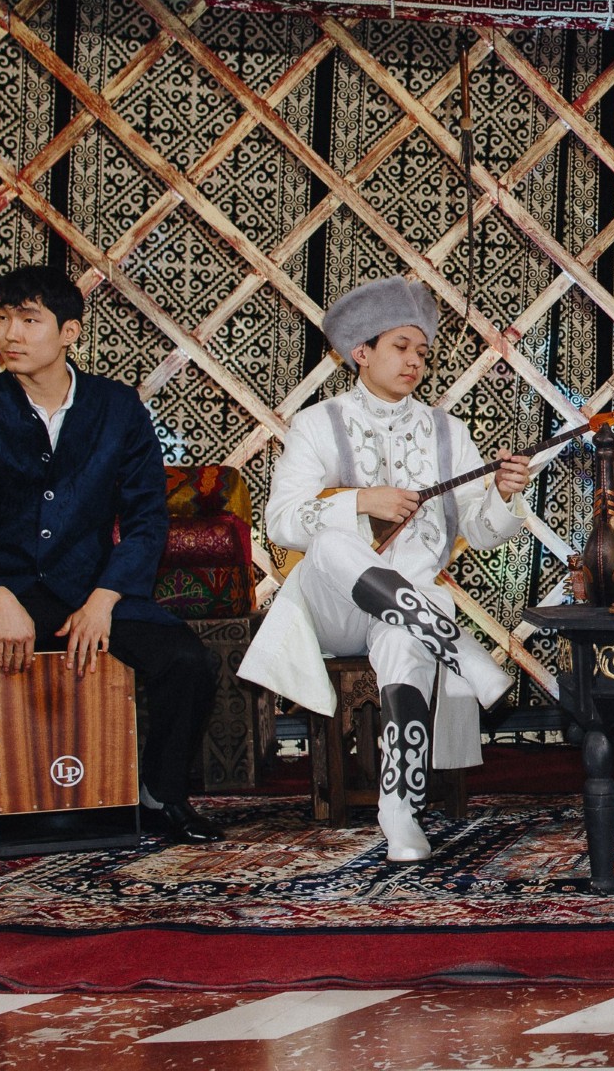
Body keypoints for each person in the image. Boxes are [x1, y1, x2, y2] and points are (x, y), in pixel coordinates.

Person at [0, 266, 222, 864]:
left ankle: (160, 797)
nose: (10, 333)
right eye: (3, 318)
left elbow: (147, 517)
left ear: (70, 332)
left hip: (89, 592)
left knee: (188, 662)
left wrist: (106, 598)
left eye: (29, 319)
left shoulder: (116, 407)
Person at [240, 277, 531, 862]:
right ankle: (461, 651)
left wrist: (502, 495)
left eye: (422, 352)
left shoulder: (449, 433)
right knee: (329, 542)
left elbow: (479, 532)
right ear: (362, 351)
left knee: (403, 639)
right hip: (334, 608)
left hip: (409, 604)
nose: (414, 361)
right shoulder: (317, 424)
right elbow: (282, 522)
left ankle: (400, 813)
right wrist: (360, 502)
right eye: (401, 347)